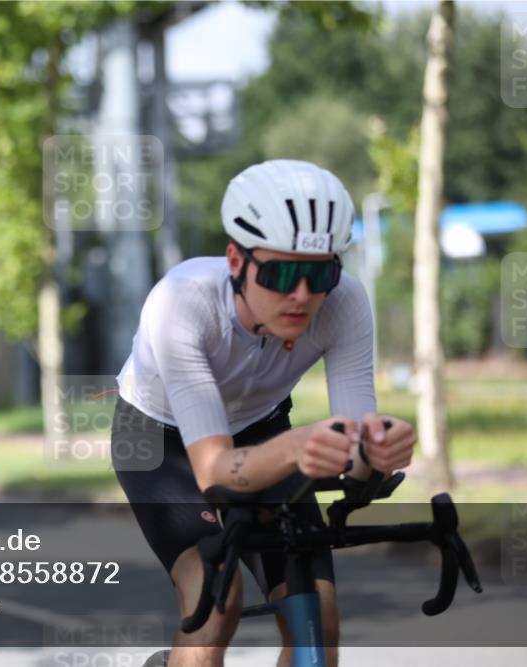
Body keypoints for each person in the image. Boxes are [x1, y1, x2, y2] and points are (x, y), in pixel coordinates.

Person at [111, 160, 417, 667]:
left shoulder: (344, 302)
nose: (302, 295)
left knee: (317, 618)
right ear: (236, 261)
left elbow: (357, 455)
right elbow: (215, 471)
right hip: (159, 441)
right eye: (281, 274)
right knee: (216, 599)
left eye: (320, 274)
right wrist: (299, 447)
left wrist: (377, 453)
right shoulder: (181, 301)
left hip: (262, 428)